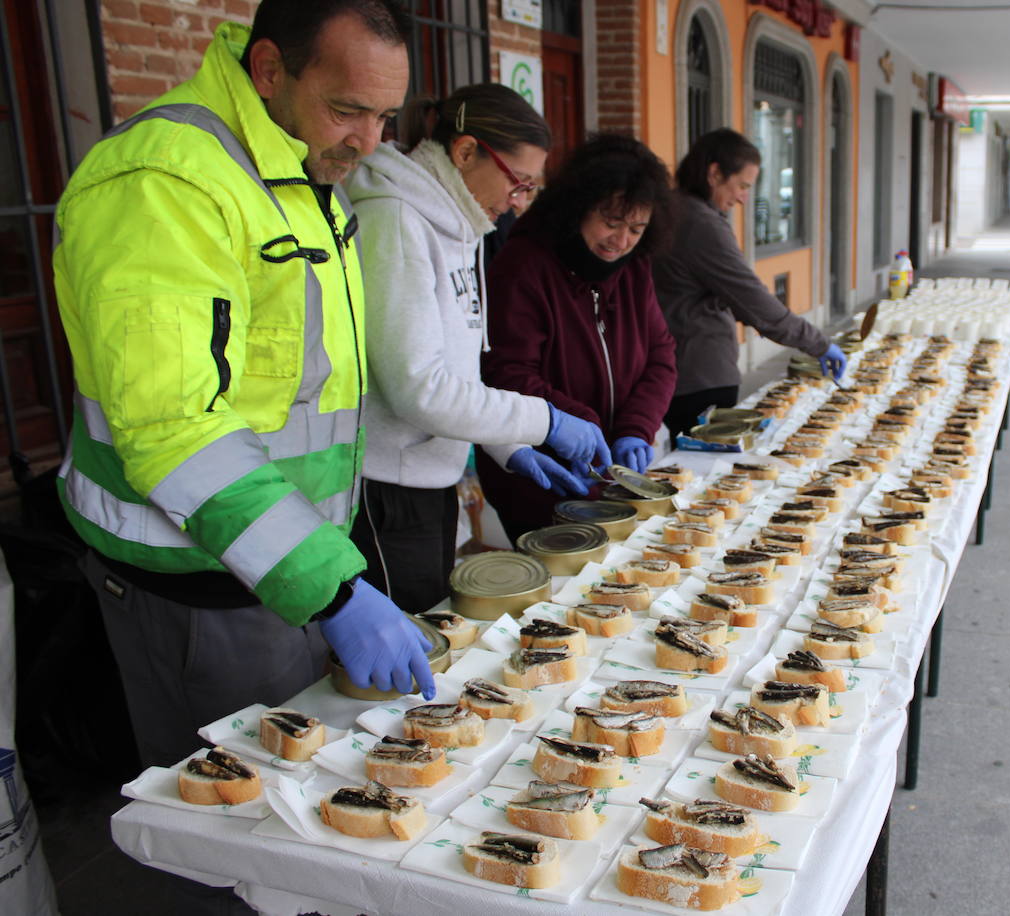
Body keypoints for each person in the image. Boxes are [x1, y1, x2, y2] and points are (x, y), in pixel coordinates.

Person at [52, 0, 437, 773]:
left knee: (305, 808)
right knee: (238, 838)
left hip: (286, 568)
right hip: (196, 583)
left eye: (386, 118)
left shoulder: (297, 160)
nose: (368, 143)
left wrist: (331, 570)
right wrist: (334, 592)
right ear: (269, 70)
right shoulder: (166, 181)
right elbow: (173, 424)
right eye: (347, 110)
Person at [343, 85, 610, 613]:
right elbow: (418, 389)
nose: (520, 202)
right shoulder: (397, 219)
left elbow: (458, 371)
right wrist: (545, 420)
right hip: (389, 487)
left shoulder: (460, 220)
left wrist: (507, 445)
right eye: (519, 183)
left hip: (432, 478)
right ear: (465, 152)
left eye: (531, 188)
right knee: (417, 644)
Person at [479, 134, 678, 541]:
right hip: (544, 477)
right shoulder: (523, 266)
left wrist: (636, 427)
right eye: (611, 222)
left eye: (637, 229)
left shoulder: (634, 267)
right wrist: (580, 424)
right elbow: (507, 373)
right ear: (579, 207)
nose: (621, 241)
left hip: (614, 477)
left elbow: (661, 355)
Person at [653, 129, 847, 440]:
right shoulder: (700, 224)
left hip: (681, 368)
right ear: (715, 173)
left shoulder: (678, 210)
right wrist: (818, 344)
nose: (744, 198)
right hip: (699, 375)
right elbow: (754, 301)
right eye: (742, 185)